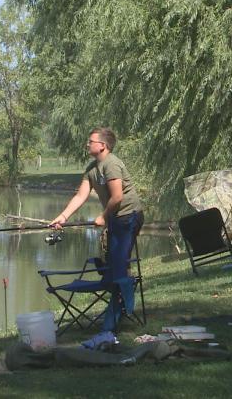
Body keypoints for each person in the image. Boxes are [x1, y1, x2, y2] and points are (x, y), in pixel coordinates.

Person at [50, 126, 144, 349]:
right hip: (114, 220)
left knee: (119, 270)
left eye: (91, 141)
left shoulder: (111, 164)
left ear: (103, 145)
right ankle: (118, 310)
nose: (87, 144)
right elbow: (81, 195)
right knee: (113, 270)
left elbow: (118, 196)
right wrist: (62, 217)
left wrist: (102, 216)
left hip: (129, 216)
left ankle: (109, 327)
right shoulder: (92, 168)